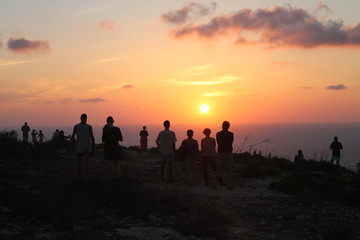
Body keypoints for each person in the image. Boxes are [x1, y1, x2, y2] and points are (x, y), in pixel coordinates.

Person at [216, 121, 234, 190]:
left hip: (221, 152)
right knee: (229, 170)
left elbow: (218, 142)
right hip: (228, 153)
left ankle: (215, 184)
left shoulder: (218, 134)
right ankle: (230, 185)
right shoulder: (231, 134)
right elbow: (231, 142)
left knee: (218, 169)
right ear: (228, 126)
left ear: (222, 126)